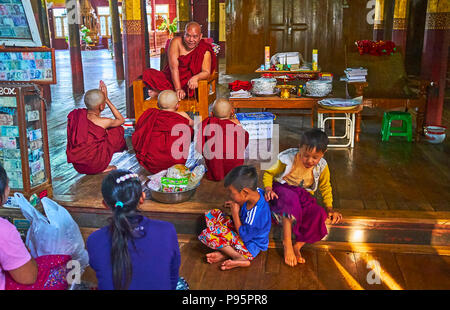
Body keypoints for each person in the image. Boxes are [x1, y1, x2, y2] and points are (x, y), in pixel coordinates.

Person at [86, 169, 182, 290]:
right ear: (142, 197)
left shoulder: (94, 240)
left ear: (105, 204)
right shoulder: (166, 230)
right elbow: (172, 279)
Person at [263, 128, 343, 267]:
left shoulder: (323, 167)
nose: (310, 160)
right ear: (299, 148)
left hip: (304, 195)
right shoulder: (286, 158)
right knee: (291, 200)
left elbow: (325, 187)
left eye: (315, 157)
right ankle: (287, 243)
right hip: (283, 190)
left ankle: (297, 246)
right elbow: (268, 173)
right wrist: (268, 189)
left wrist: (329, 208)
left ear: (323, 154)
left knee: (319, 213)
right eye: (306, 155)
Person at [0, 165, 70, 290]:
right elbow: (28, 277)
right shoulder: (4, 230)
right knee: (62, 272)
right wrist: (26, 254)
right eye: (7, 183)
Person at [198, 165, 271, 270]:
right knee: (213, 214)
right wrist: (238, 203)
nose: (229, 195)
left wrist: (235, 212)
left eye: (231, 192)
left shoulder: (256, 214)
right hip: (242, 231)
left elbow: (244, 237)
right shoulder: (257, 192)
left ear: (245, 192)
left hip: (250, 246)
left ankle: (239, 257)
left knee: (207, 234)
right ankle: (226, 254)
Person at [142, 21, 217, 101]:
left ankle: (163, 92)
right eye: (188, 35)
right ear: (184, 34)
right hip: (171, 78)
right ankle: (172, 93)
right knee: (148, 73)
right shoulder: (176, 42)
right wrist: (178, 89)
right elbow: (174, 68)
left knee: (192, 87)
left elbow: (206, 72)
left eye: (195, 36)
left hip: (189, 83)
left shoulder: (204, 49)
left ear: (200, 36)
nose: (191, 40)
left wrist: (196, 77)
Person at [66, 80, 127, 175]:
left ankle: (96, 162)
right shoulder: (105, 121)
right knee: (117, 130)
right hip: (95, 166)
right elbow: (121, 120)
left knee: (100, 133)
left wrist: (102, 101)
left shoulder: (77, 115)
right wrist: (106, 99)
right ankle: (101, 166)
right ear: (102, 106)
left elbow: (95, 117)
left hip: (79, 166)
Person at [132, 90, 194, 174]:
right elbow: (192, 124)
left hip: (152, 164)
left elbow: (140, 129)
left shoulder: (150, 114)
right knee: (187, 129)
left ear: (157, 104)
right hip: (176, 163)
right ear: (177, 105)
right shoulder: (181, 115)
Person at [197, 98, 249, 181]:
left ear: (212, 114)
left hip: (215, 166)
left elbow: (200, 144)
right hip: (235, 168)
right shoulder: (236, 125)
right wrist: (239, 126)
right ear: (232, 112)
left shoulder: (208, 124)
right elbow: (244, 142)